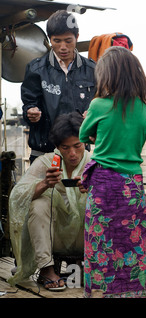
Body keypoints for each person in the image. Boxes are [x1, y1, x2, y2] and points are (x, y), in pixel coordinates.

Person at [79, 46, 146, 298]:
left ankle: (99, 293)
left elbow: (83, 135)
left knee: (100, 244)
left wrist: (91, 121)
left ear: (108, 76)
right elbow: (137, 142)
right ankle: (133, 293)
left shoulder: (98, 105)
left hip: (104, 184)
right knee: (132, 244)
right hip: (132, 185)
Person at [8, 112, 90, 291]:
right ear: (57, 147)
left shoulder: (93, 164)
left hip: (85, 239)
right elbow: (18, 197)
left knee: (98, 202)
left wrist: (92, 189)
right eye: (65, 147)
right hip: (54, 238)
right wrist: (45, 184)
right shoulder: (45, 163)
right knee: (38, 204)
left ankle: (90, 266)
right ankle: (46, 269)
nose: (73, 154)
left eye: (77, 146)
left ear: (85, 142)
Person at [21, 10, 96, 163]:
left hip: (79, 153)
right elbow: (29, 105)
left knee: (79, 188)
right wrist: (31, 113)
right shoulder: (36, 70)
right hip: (44, 153)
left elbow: (100, 103)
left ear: (77, 37)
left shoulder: (92, 70)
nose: (63, 47)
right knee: (43, 187)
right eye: (57, 41)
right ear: (49, 39)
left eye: (68, 41)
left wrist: (93, 113)